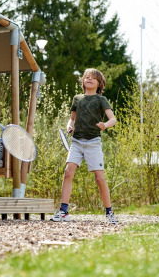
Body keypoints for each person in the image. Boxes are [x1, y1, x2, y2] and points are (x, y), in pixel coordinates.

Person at [51, 68, 118, 224]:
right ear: (83, 81)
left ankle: (109, 212)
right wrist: (69, 127)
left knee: (99, 178)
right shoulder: (77, 98)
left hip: (93, 143)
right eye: (86, 77)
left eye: (93, 78)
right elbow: (71, 119)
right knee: (68, 172)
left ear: (99, 84)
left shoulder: (101, 99)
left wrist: (105, 125)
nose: (89, 79)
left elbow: (113, 119)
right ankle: (63, 211)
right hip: (77, 142)